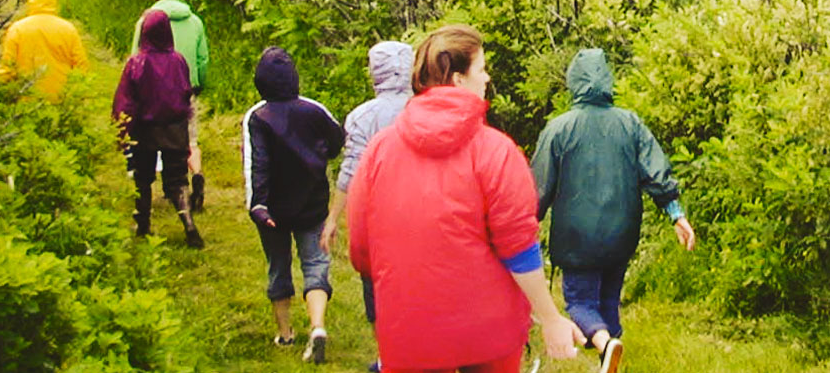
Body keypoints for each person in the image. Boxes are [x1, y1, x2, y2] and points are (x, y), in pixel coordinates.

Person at [348, 24, 583, 373]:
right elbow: (518, 247)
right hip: (488, 332)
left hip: (409, 329)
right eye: (481, 68)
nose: (486, 78)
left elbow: (360, 246)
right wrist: (549, 317)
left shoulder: (380, 149)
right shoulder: (496, 151)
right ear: (458, 79)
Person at [533, 48, 697, 373]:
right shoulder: (630, 123)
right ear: (607, 80)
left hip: (576, 240)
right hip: (622, 235)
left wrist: (524, 228)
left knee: (580, 303)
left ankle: (607, 346)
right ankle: (610, 360)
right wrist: (676, 214)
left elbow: (536, 189)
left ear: (573, 82)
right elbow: (656, 171)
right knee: (608, 302)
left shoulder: (559, 129)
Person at [242, 47, 345, 364]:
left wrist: (258, 205)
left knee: (278, 265)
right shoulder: (314, 109)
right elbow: (339, 140)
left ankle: (285, 334)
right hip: (312, 201)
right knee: (315, 264)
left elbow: (256, 163)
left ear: (260, 81)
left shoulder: (257, 116)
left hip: (272, 208)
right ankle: (317, 327)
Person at [321, 40, 413, 373]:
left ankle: (388, 357)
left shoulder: (362, 116)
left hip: (379, 218)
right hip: (425, 213)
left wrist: (333, 217)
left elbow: (351, 172)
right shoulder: (427, 107)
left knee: (377, 285)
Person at [112, 9, 202, 246]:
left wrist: (121, 131)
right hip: (175, 128)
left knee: (143, 178)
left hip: (145, 130)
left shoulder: (136, 63)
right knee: (177, 179)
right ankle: (189, 224)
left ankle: (143, 224)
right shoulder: (179, 61)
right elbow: (186, 93)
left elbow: (125, 100)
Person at [133, 0, 211, 211]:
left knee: (156, 140)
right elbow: (203, 58)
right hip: (186, 90)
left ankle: (162, 191)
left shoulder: (145, 21)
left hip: (153, 93)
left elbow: (135, 57)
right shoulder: (195, 21)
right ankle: (196, 176)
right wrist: (199, 83)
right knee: (190, 139)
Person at [0, 0, 88, 100]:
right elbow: (81, 66)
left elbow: (7, 68)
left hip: (26, 100)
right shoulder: (68, 29)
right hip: (60, 99)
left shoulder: (17, 29)